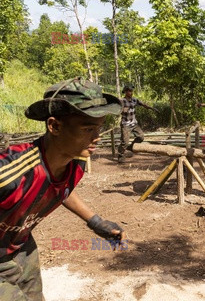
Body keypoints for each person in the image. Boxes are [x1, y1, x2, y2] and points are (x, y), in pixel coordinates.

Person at [0, 77, 126, 300]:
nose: (97, 138)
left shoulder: (75, 164)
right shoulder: (10, 172)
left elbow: (57, 189)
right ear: (54, 126)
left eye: (99, 128)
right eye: (88, 129)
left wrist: (95, 222)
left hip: (22, 246)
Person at [118, 83, 159, 163]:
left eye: (131, 91)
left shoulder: (134, 100)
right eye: (129, 91)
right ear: (125, 92)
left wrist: (152, 108)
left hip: (134, 123)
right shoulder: (122, 101)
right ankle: (121, 155)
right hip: (126, 124)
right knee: (124, 142)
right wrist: (123, 110)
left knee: (141, 137)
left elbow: (144, 105)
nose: (131, 92)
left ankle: (130, 147)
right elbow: (117, 110)